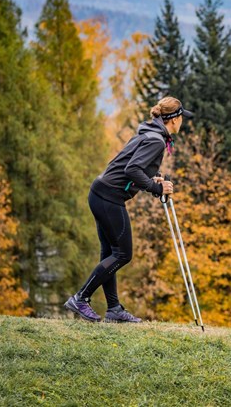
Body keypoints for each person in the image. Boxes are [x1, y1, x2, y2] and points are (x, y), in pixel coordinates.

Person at [64, 97, 193, 323]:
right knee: (123, 254)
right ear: (173, 119)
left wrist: (154, 182)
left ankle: (113, 309)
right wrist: (156, 187)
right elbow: (132, 169)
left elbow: (132, 169)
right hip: (109, 197)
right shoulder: (157, 141)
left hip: (100, 193)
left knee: (110, 253)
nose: (183, 121)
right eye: (181, 117)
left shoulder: (149, 133)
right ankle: (80, 298)